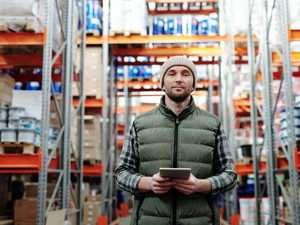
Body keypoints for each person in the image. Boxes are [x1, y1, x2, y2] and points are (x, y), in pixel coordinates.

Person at [115, 56, 237, 225]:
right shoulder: (140, 124)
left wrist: (200, 185)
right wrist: (149, 183)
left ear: (193, 84)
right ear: (162, 83)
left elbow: (230, 174)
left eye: (186, 74)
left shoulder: (212, 124)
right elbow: (121, 173)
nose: (179, 79)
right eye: (172, 73)